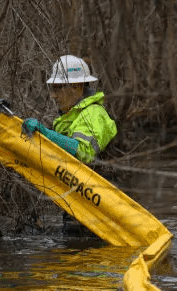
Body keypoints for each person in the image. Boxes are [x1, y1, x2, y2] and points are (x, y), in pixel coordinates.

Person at [22, 55, 117, 242]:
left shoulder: (93, 115)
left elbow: (84, 153)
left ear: (77, 87)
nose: (53, 95)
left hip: (98, 208)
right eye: (53, 89)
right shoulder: (71, 118)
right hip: (81, 206)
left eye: (58, 88)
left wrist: (46, 134)